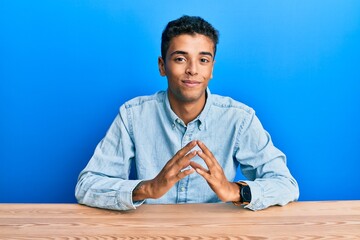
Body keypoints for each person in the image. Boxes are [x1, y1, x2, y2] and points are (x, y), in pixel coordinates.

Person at [75, 15, 299, 211]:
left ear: (211, 68)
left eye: (203, 60)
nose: (192, 70)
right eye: (180, 59)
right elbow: (86, 185)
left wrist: (235, 191)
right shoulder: (133, 115)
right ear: (162, 66)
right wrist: (147, 188)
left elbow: (286, 184)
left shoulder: (239, 118)